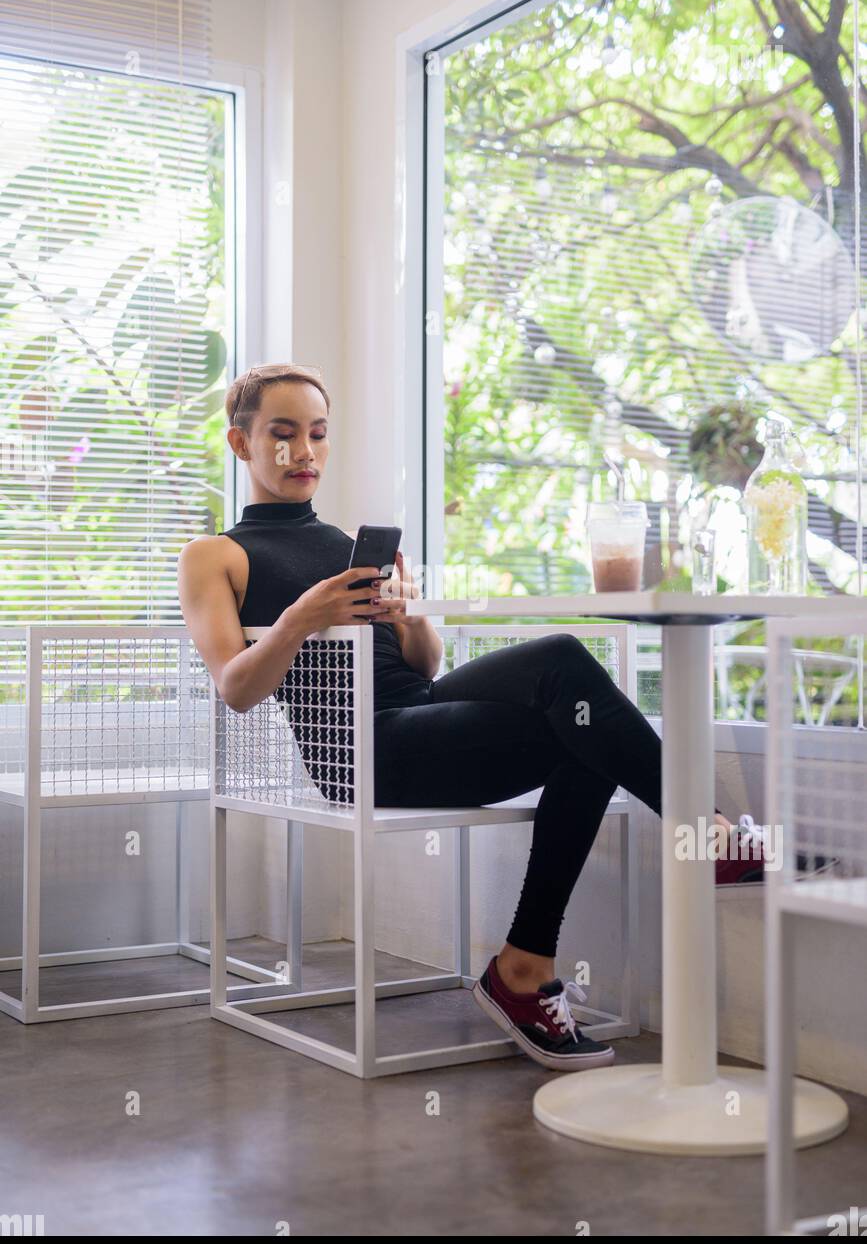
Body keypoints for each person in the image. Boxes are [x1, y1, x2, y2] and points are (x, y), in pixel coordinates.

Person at [178, 364, 763, 1073]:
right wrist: (303, 618)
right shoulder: (215, 555)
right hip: (360, 753)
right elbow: (236, 688)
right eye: (283, 434)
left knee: (575, 708)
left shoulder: (344, 545)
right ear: (241, 445)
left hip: (418, 717)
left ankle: (522, 967)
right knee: (565, 679)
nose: (304, 452)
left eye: (318, 434)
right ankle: (705, 836)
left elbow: (420, 668)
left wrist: (409, 609)